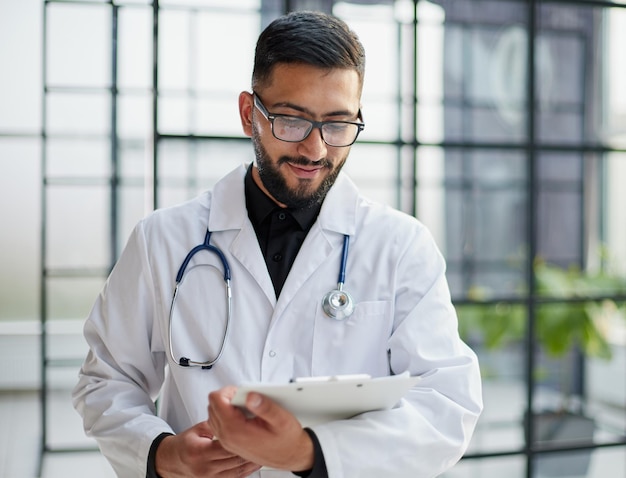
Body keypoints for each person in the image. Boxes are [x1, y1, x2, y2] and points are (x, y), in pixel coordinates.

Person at [72, 10, 482, 478]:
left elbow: (448, 403)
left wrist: (311, 454)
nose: (316, 150)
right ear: (250, 114)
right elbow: (106, 381)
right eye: (292, 121)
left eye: (337, 124)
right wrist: (162, 454)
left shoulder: (402, 246)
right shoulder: (162, 241)